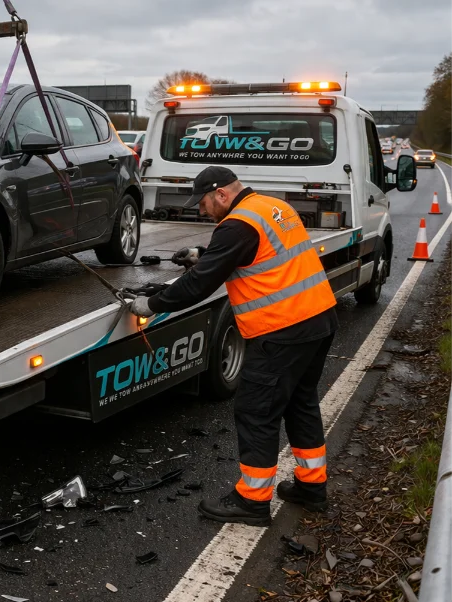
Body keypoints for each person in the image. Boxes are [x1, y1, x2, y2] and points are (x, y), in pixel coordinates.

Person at [131, 166, 338, 526]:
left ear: (222, 195)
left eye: (205, 203)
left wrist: (151, 305)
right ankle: (311, 486)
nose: (202, 210)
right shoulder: (272, 208)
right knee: (300, 404)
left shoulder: (237, 225)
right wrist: (203, 252)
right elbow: (252, 254)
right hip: (318, 319)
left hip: (281, 331)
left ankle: (252, 501)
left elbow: (198, 286)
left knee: (256, 412)